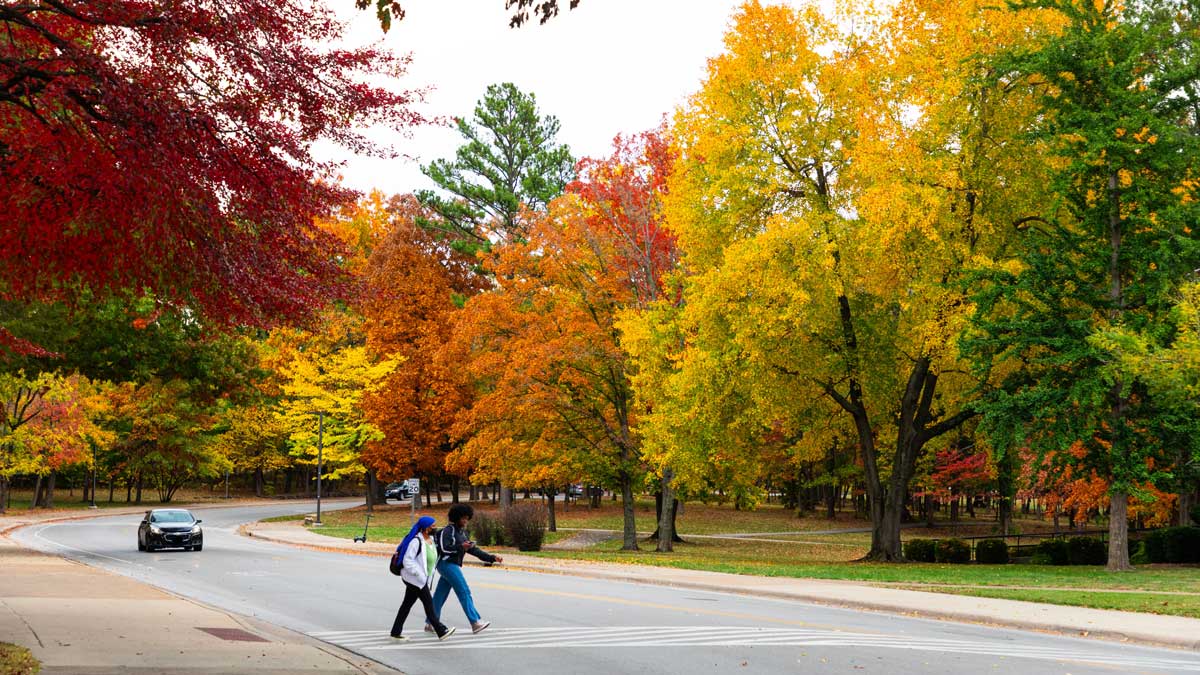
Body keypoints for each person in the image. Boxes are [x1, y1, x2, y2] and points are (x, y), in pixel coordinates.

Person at [426, 504, 503, 635]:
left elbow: (473, 550)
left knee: (440, 595)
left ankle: (430, 623)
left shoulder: (463, 533)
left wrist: (491, 557)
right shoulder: (447, 530)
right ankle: (475, 622)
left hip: (452, 565)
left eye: (467, 518)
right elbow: (445, 548)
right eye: (463, 518)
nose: (465, 521)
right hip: (446, 564)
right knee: (464, 590)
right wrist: (461, 547)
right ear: (456, 518)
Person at [390, 515, 455, 641]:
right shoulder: (416, 542)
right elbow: (407, 561)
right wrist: (419, 575)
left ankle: (395, 632)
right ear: (426, 528)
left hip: (421, 579)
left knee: (406, 605)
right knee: (429, 605)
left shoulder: (430, 540)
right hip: (415, 579)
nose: (435, 528)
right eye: (433, 526)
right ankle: (440, 630)